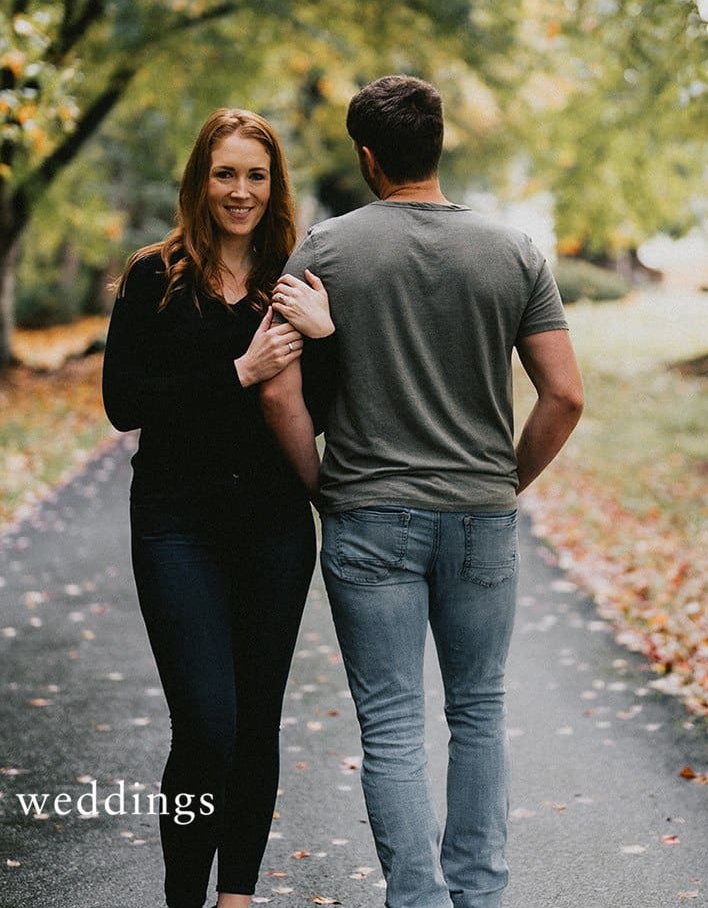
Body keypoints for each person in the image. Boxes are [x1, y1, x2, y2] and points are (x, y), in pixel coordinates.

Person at [261, 75, 585, 908]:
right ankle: (480, 897)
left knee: (393, 724)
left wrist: (319, 483)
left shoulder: (326, 252)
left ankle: (419, 899)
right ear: (438, 145)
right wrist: (503, 482)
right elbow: (565, 395)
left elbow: (274, 388)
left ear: (368, 157)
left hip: (368, 515)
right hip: (480, 516)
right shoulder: (514, 253)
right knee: (478, 710)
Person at [101, 107, 335, 908]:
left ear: (276, 187)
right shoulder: (153, 277)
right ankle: (184, 898)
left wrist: (328, 335)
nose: (241, 191)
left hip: (273, 528)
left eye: (256, 175)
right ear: (201, 179)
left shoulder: (296, 287)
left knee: (256, 722)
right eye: (226, 172)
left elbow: (329, 407)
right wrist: (235, 372)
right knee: (207, 723)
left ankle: (236, 895)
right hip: (177, 525)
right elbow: (122, 402)